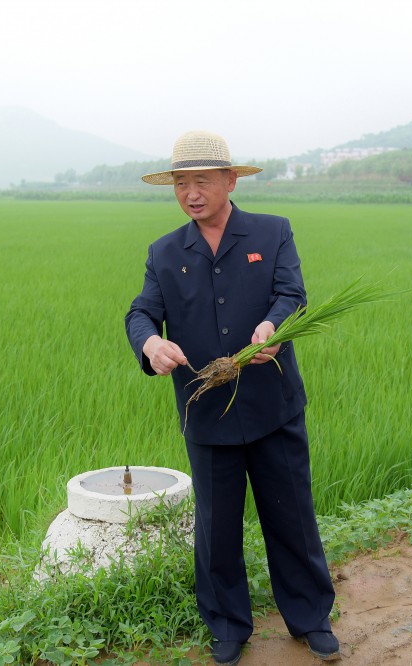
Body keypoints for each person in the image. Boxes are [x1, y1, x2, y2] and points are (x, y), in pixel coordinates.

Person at [125, 131, 338, 665]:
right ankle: (227, 624)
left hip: (274, 404)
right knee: (216, 528)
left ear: (230, 180)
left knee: (291, 515)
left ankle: (310, 617)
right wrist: (151, 343)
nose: (190, 192)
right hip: (206, 412)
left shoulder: (272, 232)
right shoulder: (165, 251)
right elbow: (141, 313)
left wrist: (271, 327)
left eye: (201, 180)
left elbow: (292, 295)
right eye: (180, 183)